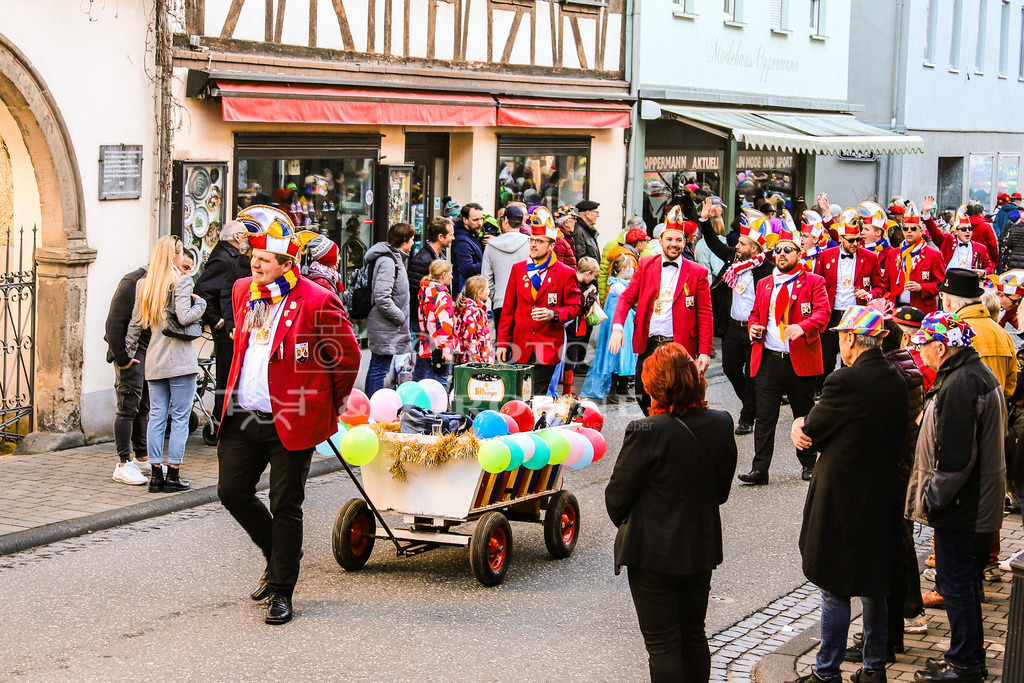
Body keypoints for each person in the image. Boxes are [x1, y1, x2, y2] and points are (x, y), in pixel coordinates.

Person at [217, 205, 360, 625]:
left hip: (294, 416)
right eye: (253, 256)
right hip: (245, 413)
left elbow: (347, 356)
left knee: (286, 504)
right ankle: (278, 552)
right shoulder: (244, 290)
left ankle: (282, 589)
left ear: (286, 263)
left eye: (264, 259)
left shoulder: (317, 299)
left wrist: (327, 406)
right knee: (232, 492)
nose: (254, 263)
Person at [605, 343, 737, 683]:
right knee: (694, 634)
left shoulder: (646, 430)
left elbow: (616, 501)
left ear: (657, 388)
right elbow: (719, 492)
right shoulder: (721, 423)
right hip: (699, 546)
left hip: (653, 554)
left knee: (663, 645)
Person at [790, 306, 909, 683]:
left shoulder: (845, 381)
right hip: (882, 494)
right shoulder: (894, 377)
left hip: (844, 498)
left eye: (842, 336)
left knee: (835, 585)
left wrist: (799, 425)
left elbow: (813, 433)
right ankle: (873, 669)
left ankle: (827, 672)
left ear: (851, 340)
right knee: (875, 586)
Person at [905, 311, 1005, 682]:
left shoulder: (962, 381)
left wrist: (932, 498)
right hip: (972, 499)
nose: (920, 355)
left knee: (957, 581)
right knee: (963, 580)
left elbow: (956, 457)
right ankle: (967, 657)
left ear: (942, 346)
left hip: (963, 503)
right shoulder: (969, 373)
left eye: (923, 347)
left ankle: (964, 664)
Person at [741, 223, 830, 485]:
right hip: (768, 357)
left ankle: (808, 463)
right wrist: (753, 326)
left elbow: (822, 314)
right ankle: (760, 469)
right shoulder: (765, 283)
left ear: (799, 255)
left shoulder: (814, 281)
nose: (781, 254)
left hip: (799, 359)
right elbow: (756, 314)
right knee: (765, 416)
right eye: (778, 250)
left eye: (788, 250)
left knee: (803, 413)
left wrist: (802, 327)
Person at [125, 235, 206, 493]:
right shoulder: (182, 281)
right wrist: (201, 304)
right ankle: (174, 474)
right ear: (175, 256)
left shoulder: (144, 285)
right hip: (181, 360)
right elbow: (184, 317)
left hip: (155, 359)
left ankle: (156, 475)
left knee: (156, 417)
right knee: (180, 418)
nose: (184, 259)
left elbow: (135, 325)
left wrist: (126, 357)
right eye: (181, 254)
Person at [609, 216, 714, 415]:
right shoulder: (646, 264)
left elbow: (705, 314)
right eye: (669, 239)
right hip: (650, 344)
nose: (674, 244)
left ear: (685, 242)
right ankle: (657, 425)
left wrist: (705, 351)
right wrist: (617, 328)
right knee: (643, 393)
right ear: (661, 241)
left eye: (679, 240)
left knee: (678, 398)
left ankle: (671, 434)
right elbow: (627, 298)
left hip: (680, 346)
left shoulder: (698, 272)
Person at [698, 199, 775, 435]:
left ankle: (747, 417)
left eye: (742, 243)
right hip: (733, 327)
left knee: (752, 375)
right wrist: (704, 219)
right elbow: (712, 243)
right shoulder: (734, 260)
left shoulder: (767, 269)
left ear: (754, 248)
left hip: (755, 329)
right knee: (731, 369)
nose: (737, 246)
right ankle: (750, 405)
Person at [495, 208, 582, 393]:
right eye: (532, 240)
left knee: (536, 396)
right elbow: (508, 310)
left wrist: (554, 314)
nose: (533, 245)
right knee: (516, 396)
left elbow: (575, 307)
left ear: (551, 246)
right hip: (519, 347)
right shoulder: (518, 269)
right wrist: (502, 343)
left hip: (547, 348)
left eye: (539, 241)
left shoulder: (566, 273)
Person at [813, 209, 886, 383]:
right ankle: (824, 391)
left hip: (855, 315)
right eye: (851, 241)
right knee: (826, 358)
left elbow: (880, 287)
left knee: (852, 359)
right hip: (832, 313)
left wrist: (869, 294)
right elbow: (816, 285)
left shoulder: (870, 257)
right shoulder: (825, 256)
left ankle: (849, 389)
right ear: (840, 238)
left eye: (858, 240)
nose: (855, 244)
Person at [194, 220, 253, 424]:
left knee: (232, 375)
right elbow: (202, 291)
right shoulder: (224, 258)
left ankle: (228, 419)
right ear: (237, 237)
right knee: (227, 375)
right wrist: (217, 320)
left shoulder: (233, 257)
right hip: (228, 330)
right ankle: (222, 420)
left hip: (232, 327)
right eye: (245, 234)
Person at [105, 264, 153, 485]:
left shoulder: (155, 281)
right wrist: (122, 358)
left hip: (146, 354)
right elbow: (113, 323)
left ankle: (141, 457)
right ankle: (123, 464)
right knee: (127, 407)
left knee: (143, 406)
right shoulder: (132, 281)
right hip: (131, 354)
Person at [364, 223, 416, 396]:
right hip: (385, 324)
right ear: (404, 240)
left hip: (387, 324)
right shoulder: (388, 261)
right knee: (379, 368)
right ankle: (373, 405)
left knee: (379, 366)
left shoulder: (394, 259)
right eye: (412, 239)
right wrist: (400, 317)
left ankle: (373, 404)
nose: (413, 243)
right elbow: (382, 297)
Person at [582, 256, 637, 402]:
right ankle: (612, 388)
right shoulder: (617, 286)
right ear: (624, 270)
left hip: (626, 322)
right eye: (631, 267)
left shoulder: (623, 284)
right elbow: (629, 297)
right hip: (617, 322)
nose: (633, 270)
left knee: (626, 353)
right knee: (616, 354)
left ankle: (623, 387)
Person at [408, 216, 454, 378]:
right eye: (450, 235)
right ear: (440, 237)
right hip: (425, 322)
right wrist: (422, 322)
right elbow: (415, 295)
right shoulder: (422, 260)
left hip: (434, 321)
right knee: (425, 363)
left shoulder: (439, 256)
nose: (453, 238)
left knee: (426, 362)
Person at [885, 205, 945, 314]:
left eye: (913, 229)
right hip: (896, 309)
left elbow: (941, 284)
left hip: (922, 309)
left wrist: (921, 287)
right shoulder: (893, 254)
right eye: (905, 228)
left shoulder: (934, 254)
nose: (909, 231)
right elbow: (886, 283)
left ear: (921, 231)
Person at [481, 205, 529, 333]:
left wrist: (494, 294)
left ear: (506, 220)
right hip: (524, 301)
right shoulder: (530, 243)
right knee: (522, 346)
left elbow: (485, 277)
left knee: (503, 345)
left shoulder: (491, 245)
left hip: (501, 301)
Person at [921, 196, 994, 276]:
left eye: (970, 229)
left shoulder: (980, 248)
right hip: (949, 285)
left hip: (970, 285)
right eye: (963, 229)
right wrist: (926, 214)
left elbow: (990, 268)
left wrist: (984, 272)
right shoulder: (948, 242)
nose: (967, 231)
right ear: (956, 231)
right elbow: (934, 231)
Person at [416, 259, 456, 388]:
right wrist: (446, 350)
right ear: (443, 275)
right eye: (450, 273)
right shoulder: (443, 296)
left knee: (427, 381)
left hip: (427, 343)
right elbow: (445, 326)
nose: (452, 276)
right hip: (440, 345)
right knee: (440, 382)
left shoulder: (425, 293)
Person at [564, 257, 600, 392]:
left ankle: (568, 391)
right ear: (588, 274)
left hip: (576, 326)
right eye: (593, 276)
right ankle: (567, 392)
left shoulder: (572, 280)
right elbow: (580, 307)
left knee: (570, 360)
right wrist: (589, 296)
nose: (593, 279)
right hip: (572, 327)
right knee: (570, 360)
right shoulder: (576, 284)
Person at [453, 275, 494, 365]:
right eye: (487, 289)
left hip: (482, 360)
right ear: (479, 292)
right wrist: (474, 362)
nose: (489, 291)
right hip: (475, 363)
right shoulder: (470, 311)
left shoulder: (478, 309)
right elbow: (469, 338)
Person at [451, 202, 484, 292]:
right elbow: (467, 269)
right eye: (475, 220)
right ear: (465, 220)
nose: (480, 223)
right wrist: (487, 263)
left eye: (481, 219)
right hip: (465, 295)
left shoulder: (471, 235)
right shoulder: (462, 241)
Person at [573, 199, 601, 263]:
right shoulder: (578, 231)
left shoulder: (588, 230)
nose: (598, 215)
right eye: (596, 212)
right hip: (587, 272)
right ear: (588, 213)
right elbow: (581, 259)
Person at [552, 205, 578, 269]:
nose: (576, 221)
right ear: (566, 222)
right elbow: (558, 266)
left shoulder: (566, 236)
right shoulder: (559, 239)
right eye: (574, 219)